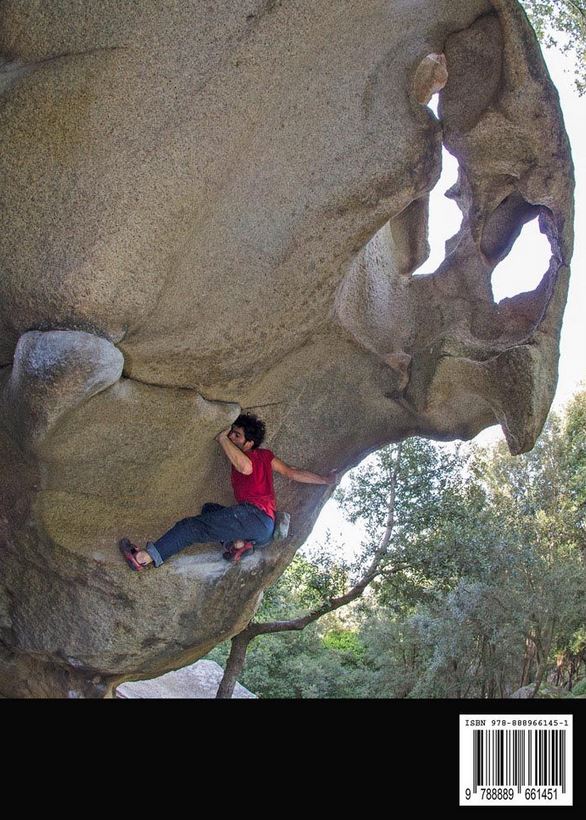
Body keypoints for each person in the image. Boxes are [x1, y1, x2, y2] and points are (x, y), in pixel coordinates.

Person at [119, 412, 338, 570]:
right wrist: (325, 479)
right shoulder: (266, 457)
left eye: (237, 436)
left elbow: (247, 467)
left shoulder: (254, 458)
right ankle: (238, 545)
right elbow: (291, 473)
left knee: (191, 527)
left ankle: (144, 558)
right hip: (262, 526)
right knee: (209, 509)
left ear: (249, 444)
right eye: (231, 433)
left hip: (254, 516)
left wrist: (223, 438)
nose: (232, 437)